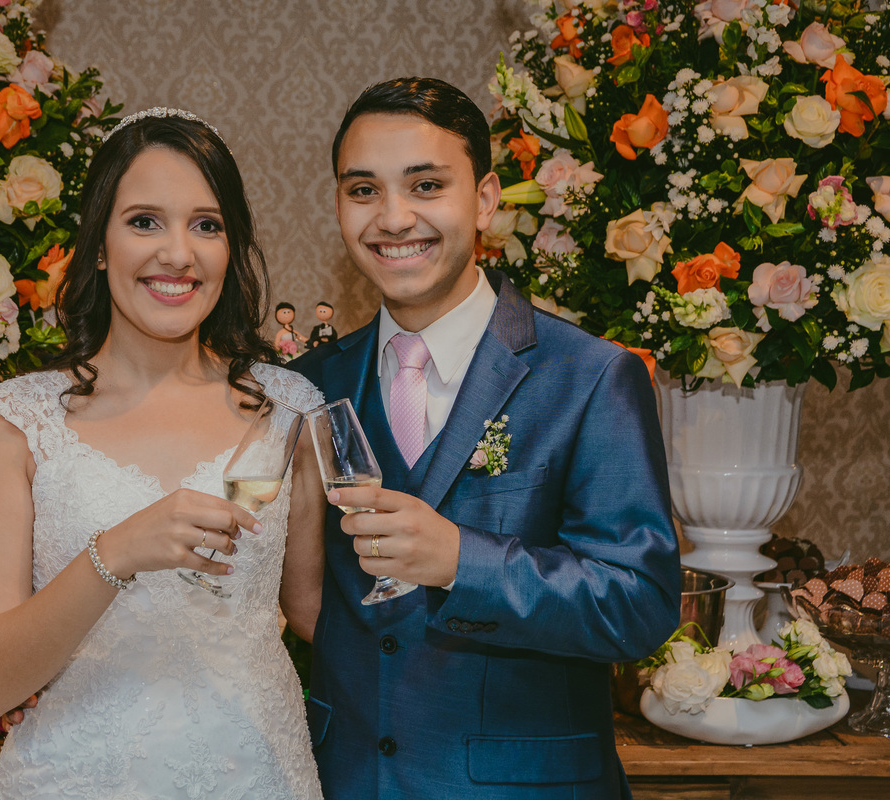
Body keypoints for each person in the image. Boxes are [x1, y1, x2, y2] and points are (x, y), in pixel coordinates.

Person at [290, 77, 681, 799]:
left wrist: (461, 560)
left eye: (427, 184)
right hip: (344, 781)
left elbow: (639, 606)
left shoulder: (591, 378)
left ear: (486, 198)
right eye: (363, 190)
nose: (394, 217)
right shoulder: (308, 384)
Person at [0, 108, 325, 800]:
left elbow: (318, 616)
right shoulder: (13, 424)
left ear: (230, 247)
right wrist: (114, 554)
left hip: (257, 777)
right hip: (73, 779)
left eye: (206, 225)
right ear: (97, 246)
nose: (178, 254)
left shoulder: (291, 411)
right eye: (144, 221)